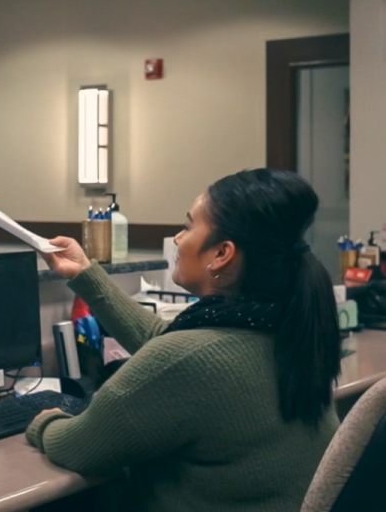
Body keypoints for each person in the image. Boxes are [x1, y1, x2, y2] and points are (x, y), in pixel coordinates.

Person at [29, 169, 341, 512]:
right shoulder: (287, 329)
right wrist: (86, 275)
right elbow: (167, 343)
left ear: (222, 254)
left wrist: (46, 420)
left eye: (189, 226)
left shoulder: (190, 360)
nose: (178, 238)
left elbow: (79, 448)